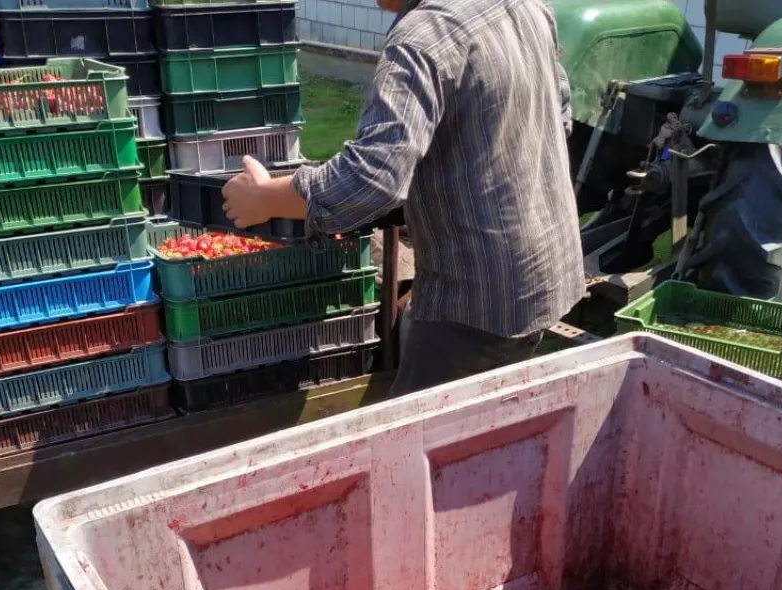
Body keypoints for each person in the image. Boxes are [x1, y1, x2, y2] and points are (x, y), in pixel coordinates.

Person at [220, 0, 583, 396]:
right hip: (549, 270)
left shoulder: (422, 40)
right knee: (493, 406)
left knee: (420, 427)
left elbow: (370, 179)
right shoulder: (525, 4)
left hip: (476, 305)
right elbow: (560, 110)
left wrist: (265, 198)